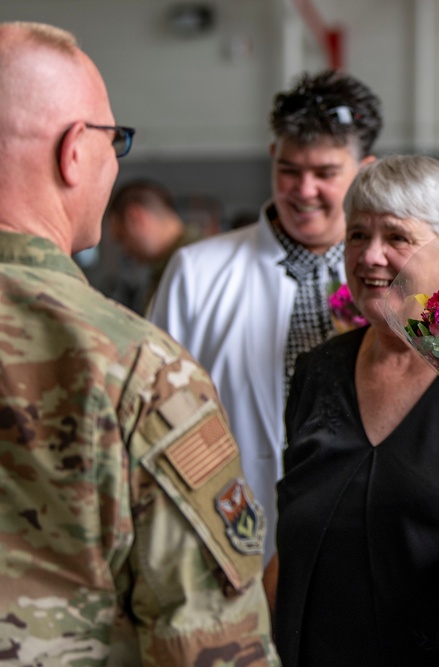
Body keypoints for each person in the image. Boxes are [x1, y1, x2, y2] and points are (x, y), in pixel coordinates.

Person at [0, 21, 278, 665]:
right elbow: (211, 646)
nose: (113, 158)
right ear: (73, 152)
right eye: (113, 140)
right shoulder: (136, 370)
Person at [272, 155, 439, 666]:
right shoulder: (319, 369)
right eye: (357, 235)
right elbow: (291, 533)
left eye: (397, 237)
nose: (370, 256)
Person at [148, 70, 383, 562]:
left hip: (363, 535)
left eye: (324, 173)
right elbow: (157, 414)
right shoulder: (198, 271)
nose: (304, 190)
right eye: (289, 170)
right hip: (228, 534)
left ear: (365, 170)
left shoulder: (393, 277)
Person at [106, 179, 200, 311]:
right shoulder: (182, 262)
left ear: (136, 218)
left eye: (122, 238)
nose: (125, 250)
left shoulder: (188, 266)